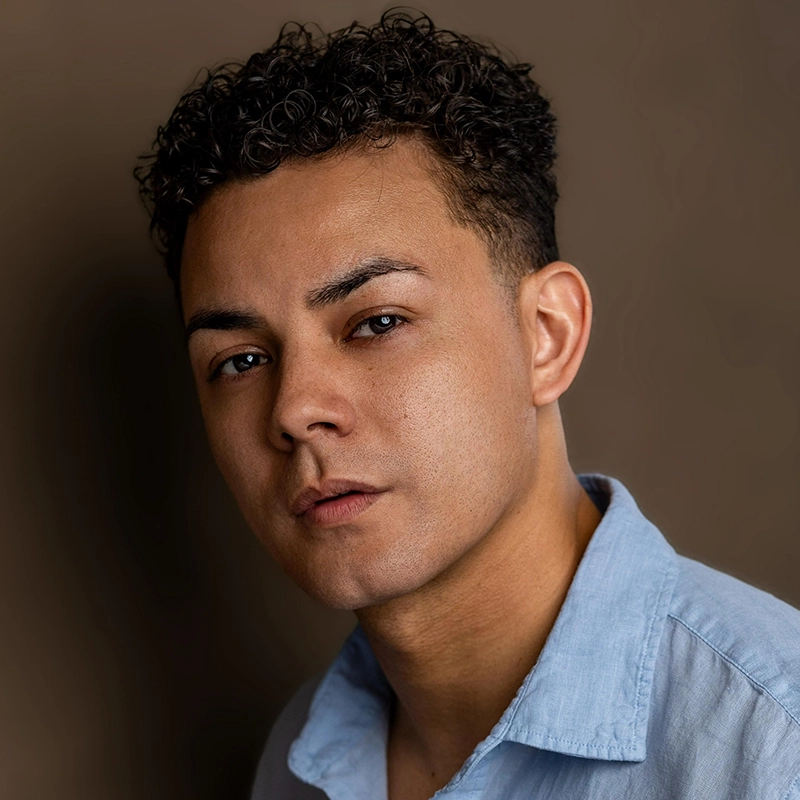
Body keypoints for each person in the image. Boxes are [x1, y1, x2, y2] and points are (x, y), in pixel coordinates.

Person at [135, 11, 800, 799]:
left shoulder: (771, 742)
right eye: (240, 361)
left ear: (547, 335)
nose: (294, 410)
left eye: (377, 322)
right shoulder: (298, 763)